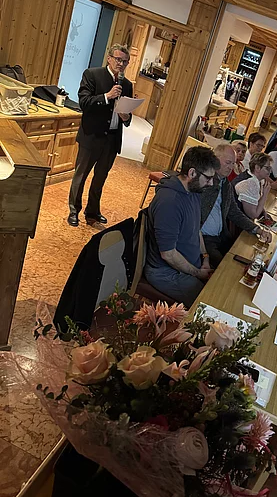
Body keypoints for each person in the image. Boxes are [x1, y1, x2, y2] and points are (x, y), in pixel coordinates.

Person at [144, 146, 219, 307]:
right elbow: (168, 254)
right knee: (208, 303)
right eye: (208, 178)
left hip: (191, 265)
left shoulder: (194, 191)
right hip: (166, 272)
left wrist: (205, 257)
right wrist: (198, 273)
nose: (211, 183)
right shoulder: (170, 202)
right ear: (192, 173)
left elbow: (196, 230)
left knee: (221, 285)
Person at [68, 44, 133, 226]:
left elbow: (128, 117)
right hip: (92, 137)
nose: (121, 64)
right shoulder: (92, 75)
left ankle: (92, 211)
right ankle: (74, 210)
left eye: (125, 61)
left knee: (100, 178)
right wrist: (106, 96)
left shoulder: (127, 85)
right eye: (118, 59)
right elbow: (84, 102)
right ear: (109, 58)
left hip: (112, 139)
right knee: (81, 176)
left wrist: (126, 117)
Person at [201, 145, 271, 267]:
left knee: (247, 258)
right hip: (204, 239)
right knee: (226, 268)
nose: (231, 167)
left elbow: (234, 212)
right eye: (228, 162)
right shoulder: (204, 182)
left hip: (220, 236)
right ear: (215, 159)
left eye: (233, 163)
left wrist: (257, 229)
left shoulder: (225, 184)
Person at [233, 153, 273, 220]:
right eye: (267, 168)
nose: (270, 171)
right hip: (236, 222)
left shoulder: (256, 179)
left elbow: (255, 203)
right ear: (257, 168)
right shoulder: (250, 184)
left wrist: (263, 211)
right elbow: (254, 215)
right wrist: (265, 195)